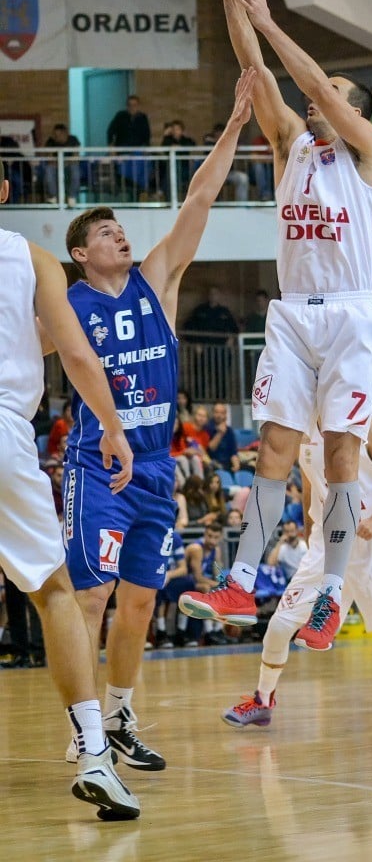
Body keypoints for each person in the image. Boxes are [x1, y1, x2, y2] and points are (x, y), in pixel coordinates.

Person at [179, 0, 372, 652]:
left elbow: (311, 87)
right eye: (319, 86)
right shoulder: (292, 147)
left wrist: (270, 19)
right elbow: (258, 73)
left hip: (352, 316)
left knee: (340, 461)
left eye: (332, 89)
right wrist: (233, 3)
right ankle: (239, 580)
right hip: (295, 312)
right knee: (273, 445)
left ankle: (329, 595)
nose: (315, 95)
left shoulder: (367, 154)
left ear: (356, 113)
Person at [53, 69, 256, 771]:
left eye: (118, 227)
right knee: (90, 596)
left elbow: (199, 195)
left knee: (139, 601)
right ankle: (82, 729)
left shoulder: (158, 281)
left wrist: (232, 125)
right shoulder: (66, 303)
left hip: (157, 465)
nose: (118, 233)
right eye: (105, 231)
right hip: (96, 463)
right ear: (81, 255)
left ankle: (120, 718)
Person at [0, 163, 139, 819]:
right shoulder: (29, 256)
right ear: (4, 192)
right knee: (54, 591)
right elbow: (78, 355)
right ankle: (92, 753)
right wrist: (113, 429)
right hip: (4, 430)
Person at [221, 421, 372, 730]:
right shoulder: (301, 433)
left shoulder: (366, 426)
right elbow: (308, 491)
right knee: (278, 625)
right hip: (324, 543)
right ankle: (263, 701)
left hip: (369, 541)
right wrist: (309, 535)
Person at [203, 125, 249, 200]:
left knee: (243, 178)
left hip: (228, 173)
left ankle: (242, 206)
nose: (220, 136)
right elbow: (206, 140)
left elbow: (240, 141)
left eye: (222, 134)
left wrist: (231, 142)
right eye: (218, 134)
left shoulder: (229, 141)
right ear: (214, 135)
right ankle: (212, 206)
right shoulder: (210, 143)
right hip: (212, 174)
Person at [43, 123, 81, 207]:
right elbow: (50, 159)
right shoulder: (51, 141)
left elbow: (76, 157)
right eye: (55, 134)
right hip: (56, 166)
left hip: (69, 166)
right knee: (49, 169)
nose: (57, 137)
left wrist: (64, 163)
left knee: (75, 168)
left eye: (59, 134)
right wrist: (59, 163)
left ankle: (72, 197)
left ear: (65, 133)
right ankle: (53, 197)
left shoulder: (73, 140)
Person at [266, 518, 307, 582]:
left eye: (292, 531)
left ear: (297, 530)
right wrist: (279, 543)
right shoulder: (282, 548)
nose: (290, 533)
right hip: (292, 580)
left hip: (307, 576)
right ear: (284, 533)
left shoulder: (304, 545)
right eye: (287, 531)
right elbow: (271, 563)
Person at [206, 400, 240, 473]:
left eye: (222, 413)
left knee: (250, 469)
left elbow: (233, 452)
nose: (219, 415)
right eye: (216, 412)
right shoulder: (207, 428)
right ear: (212, 413)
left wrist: (236, 465)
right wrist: (220, 433)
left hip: (228, 463)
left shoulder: (229, 430)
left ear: (225, 415)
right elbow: (211, 449)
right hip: (213, 463)